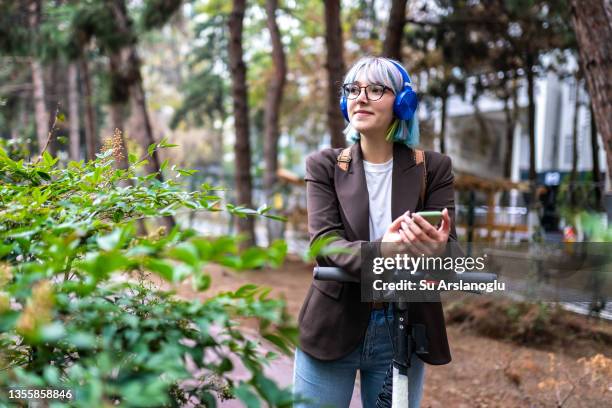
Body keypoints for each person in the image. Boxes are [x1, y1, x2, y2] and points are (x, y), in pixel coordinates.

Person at [292, 56, 459, 407]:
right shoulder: (324, 165)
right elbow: (324, 243)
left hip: (403, 326)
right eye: (353, 89)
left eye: (376, 89)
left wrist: (438, 250)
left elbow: (450, 256)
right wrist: (383, 249)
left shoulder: (434, 168)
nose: (360, 97)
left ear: (402, 103)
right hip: (332, 323)